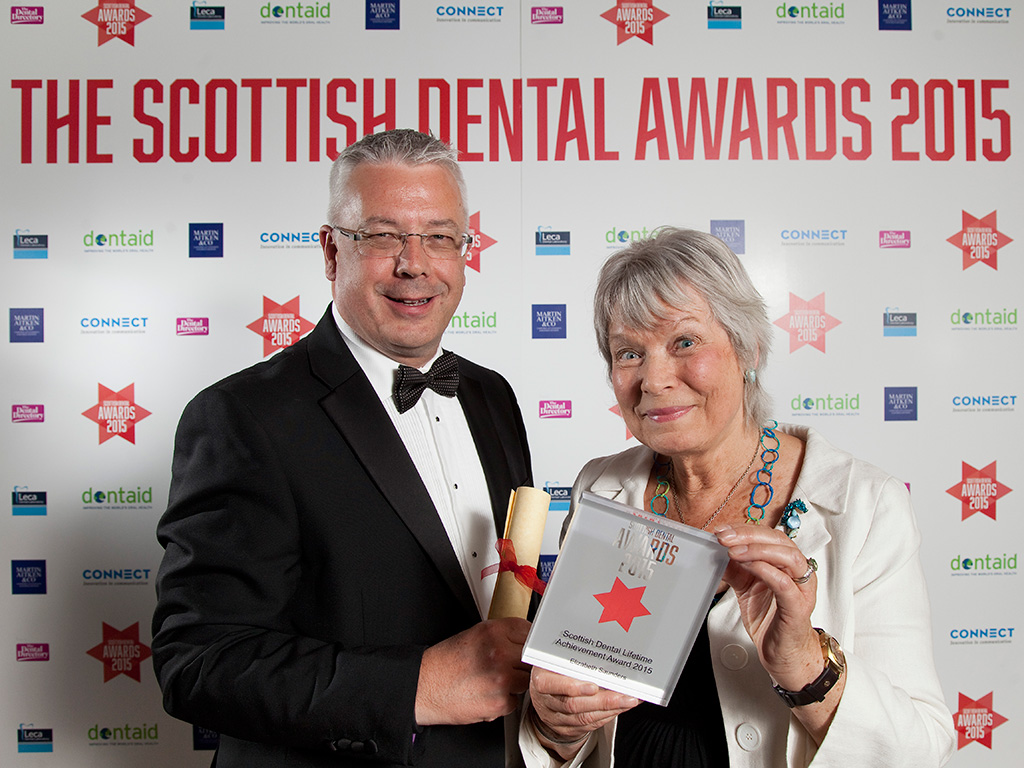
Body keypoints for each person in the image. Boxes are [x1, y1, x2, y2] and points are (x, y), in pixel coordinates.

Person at [152, 129, 533, 768]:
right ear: (332, 251)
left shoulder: (491, 396)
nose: (415, 263)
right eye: (383, 236)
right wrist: (421, 684)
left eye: (440, 237)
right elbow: (198, 660)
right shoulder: (242, 417)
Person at [522, 228, 955, 767]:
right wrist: (557, 726)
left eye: (684, 342)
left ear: (748, 345)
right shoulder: (600, 488)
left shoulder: (865, 505)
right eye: (629, 352)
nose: (654, 379)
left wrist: (802, 662)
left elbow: (919, 752)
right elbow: (571, 726)